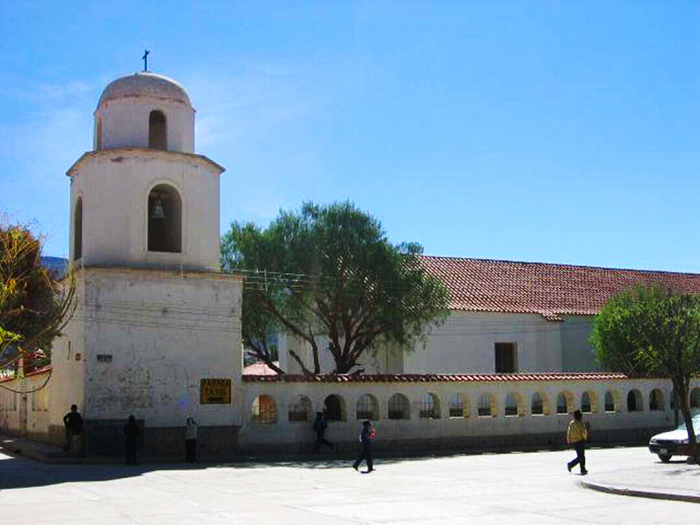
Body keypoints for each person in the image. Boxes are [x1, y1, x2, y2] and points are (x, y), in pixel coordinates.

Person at [566, 410, 588, 475]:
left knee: (581, 456)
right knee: (581, 456)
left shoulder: (572, 423)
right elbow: (583, 432)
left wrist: (568, 439)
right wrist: (585, 438)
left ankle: (583, 469)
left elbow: (569, 432)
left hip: (574, 441)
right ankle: (571, 464)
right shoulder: (580, 424)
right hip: (580, 440)